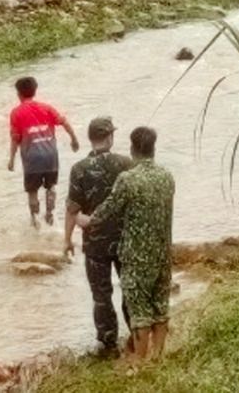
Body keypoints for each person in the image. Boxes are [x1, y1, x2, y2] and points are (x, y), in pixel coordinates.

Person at [79, 126, 175, 363]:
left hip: (136, 255)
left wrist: (86, 220)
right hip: (163, 253)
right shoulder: (167, 175)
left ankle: (140, 365)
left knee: (140, 312)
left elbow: (107, 210)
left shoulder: (128, 179)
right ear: (153, 148)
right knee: (161, 307)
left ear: (133, 149)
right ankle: (158, 358)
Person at [64, 117, 133, 356]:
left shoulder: (79, 169)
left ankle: (108, 343)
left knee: (101, 294)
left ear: (91, 139)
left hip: (94, 244)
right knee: (129, 287)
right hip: (125, 239)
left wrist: (67, 240)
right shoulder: (126, 163)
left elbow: (72, 209)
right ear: (111, 137)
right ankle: (137, 334)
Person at [7, 76, 80, 228]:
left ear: (18, 94)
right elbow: (64, 122)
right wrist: (74, 139)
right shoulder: (47, 108)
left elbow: (15, 138)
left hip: (31, 159)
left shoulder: (16, 113)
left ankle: (35, 222)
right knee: (51, 187)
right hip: (50, 156)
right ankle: (50, 215)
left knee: (32, 192)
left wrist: (12, 159)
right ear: (35, 91)